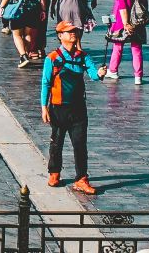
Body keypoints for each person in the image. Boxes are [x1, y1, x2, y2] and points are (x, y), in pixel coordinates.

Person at [41, 21, 101, 194]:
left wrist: (100, 74)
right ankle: (54, 173)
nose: (73, 34)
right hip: (58, 108)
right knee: (57, 142)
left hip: (78, 108)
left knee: (80, 144)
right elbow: (46, 83)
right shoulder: (52, 58)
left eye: (74, 31)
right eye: (69, 32)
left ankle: (81, 178)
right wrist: (44, 107)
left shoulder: (83, 56)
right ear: (60, 36)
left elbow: (94, 75)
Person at [103, 0, 149, 83]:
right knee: (136, 48)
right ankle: (138, 76)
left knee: (118, 47)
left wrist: (126, 23)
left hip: (121, 23)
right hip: (138, 22)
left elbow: (122, 7)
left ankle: (113, 70)